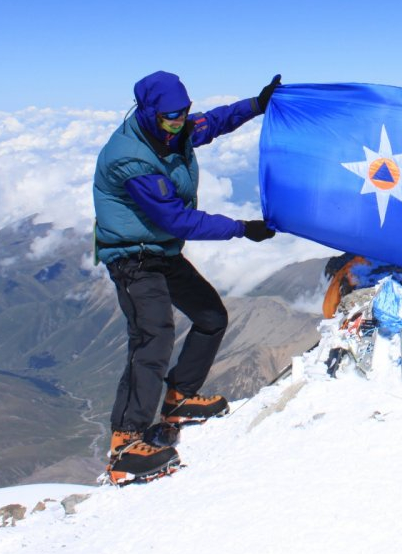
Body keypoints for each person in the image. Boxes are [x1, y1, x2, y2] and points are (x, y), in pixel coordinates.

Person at [93, 70, 281, 484]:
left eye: (183, 114)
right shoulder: (132, 157)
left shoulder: (171, 130)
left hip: (160, 250)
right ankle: (126, 442)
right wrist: (241, 228)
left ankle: (178, 400)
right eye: (169, 117)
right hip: (132, 258)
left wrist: (257, 104)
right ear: (148, 113)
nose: (179, 122)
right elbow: (175, 218)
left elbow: (212, 123)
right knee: (153, 337)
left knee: (211, 316)